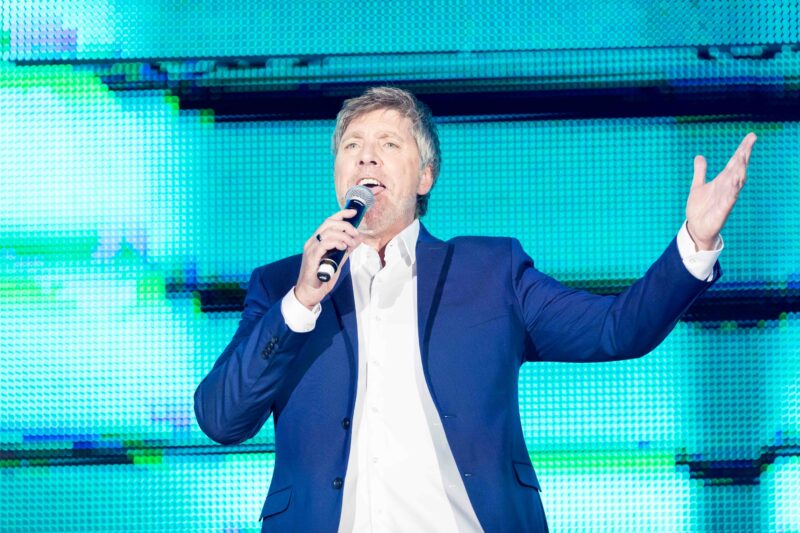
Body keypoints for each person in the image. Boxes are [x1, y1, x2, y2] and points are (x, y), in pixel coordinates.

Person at [194, 86, 756, 532]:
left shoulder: (491, 273)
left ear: (425, 176)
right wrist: (299, 305)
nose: (366, 154)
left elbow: (616, 329)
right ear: (339, 174)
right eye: (352, 146)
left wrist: (695, 243)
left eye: (389, 144)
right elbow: (221, 419)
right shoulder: (281, 287)